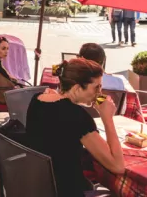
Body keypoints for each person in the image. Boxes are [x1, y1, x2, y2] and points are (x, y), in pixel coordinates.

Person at [26, 58, 124, 197]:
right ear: (77, 88)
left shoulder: (37, 99)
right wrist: (107, 119)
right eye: (96, 87)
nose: (100, 93)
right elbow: (118, 166)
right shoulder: (77, 116)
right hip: (67, 190)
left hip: (38, 185)